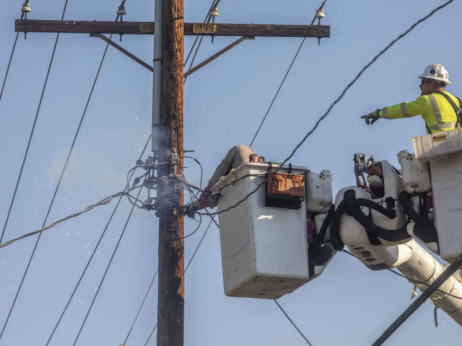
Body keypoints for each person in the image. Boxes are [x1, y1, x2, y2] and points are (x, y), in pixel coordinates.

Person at [361, 64, 462, 134]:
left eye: (423, 82)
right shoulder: (456, 100)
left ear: (432, 84)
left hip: (441, 149)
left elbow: (403, 109)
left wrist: (379, 113)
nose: (420, 86)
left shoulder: (427, 100)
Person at [186, 145, 260, 217]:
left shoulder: (238, 150)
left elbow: (222, 169)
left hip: (242, 161)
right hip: (254, 185)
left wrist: (208, 190)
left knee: (226, 192)